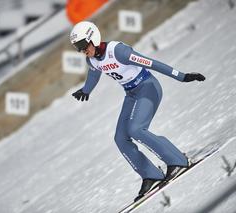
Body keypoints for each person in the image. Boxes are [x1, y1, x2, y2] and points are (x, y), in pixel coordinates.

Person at [69, 21, 205, 200]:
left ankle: (178, 160)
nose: (82, 51)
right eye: (77, 47)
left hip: (147, 87)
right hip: (131, 94)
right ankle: (151, 174)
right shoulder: (92, 59)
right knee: (120, 138)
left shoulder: (118, 51)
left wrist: (182, 76)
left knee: (136, 129)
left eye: (82, 45)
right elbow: (94, 73)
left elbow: (151, 63)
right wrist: (85, 90)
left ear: (92, 38)